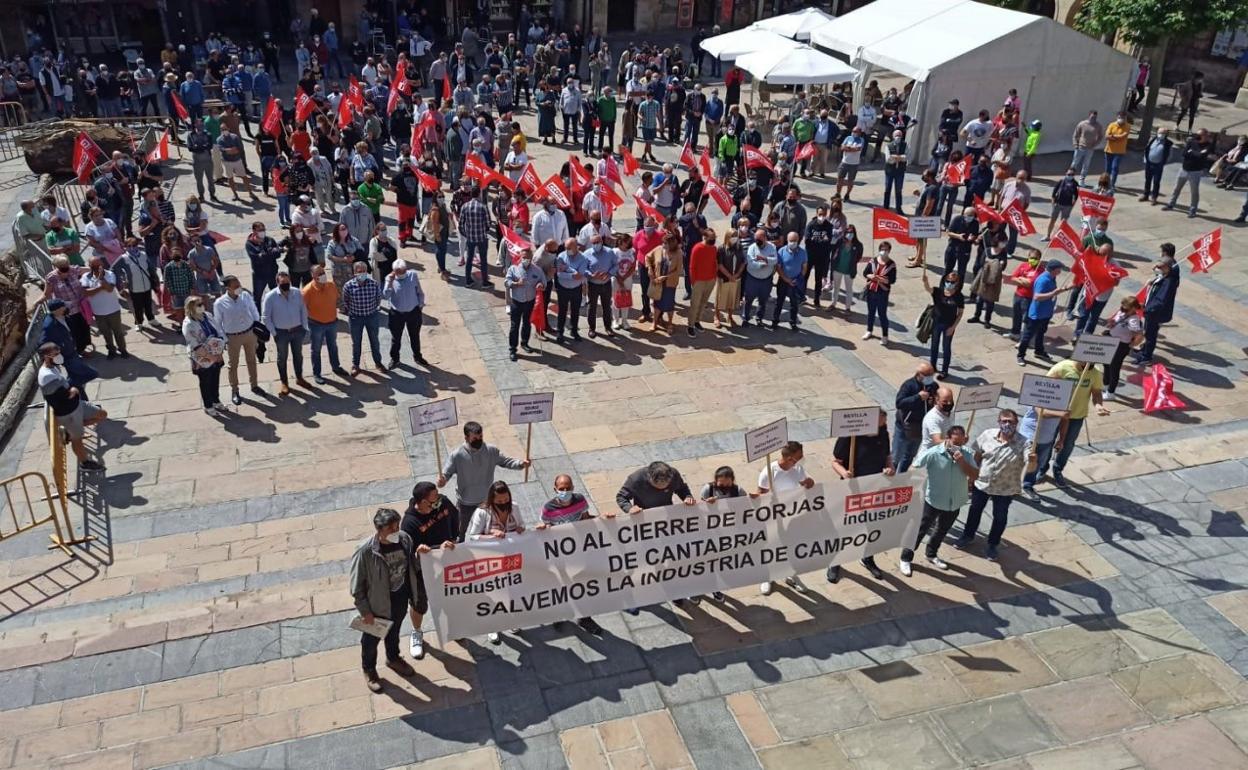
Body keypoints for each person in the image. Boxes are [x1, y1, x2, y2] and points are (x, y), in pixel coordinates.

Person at [349, 508, 421, 693]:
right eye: (391, 528)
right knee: (371, 641)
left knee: (394, 631)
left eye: (397, 526)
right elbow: (357, 587)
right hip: (377, 605)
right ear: (379, 529)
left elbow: (411, 565)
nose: (396, 531)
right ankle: (370, 670)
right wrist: (365, 611)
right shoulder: (365, 551)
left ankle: (393, 658)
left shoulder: (405, 539)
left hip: (400, 596)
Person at [900, 426, 978, 576]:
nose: (957, 446)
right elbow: (913, 468)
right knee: (920, 530)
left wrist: (962, 462)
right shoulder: (933, 453)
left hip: (955, 501)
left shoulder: (967, 454)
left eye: (960, 443)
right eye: (954, 443)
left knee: (942, 530)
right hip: (934, 500)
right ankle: (906, 557)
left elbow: (975, 474)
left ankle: (931, 553)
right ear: (947, 438)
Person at [827, 409, 893, 582]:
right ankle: (835, 562)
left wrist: (889, 467)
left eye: (884, 423)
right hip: (851, 489)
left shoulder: (883, 433)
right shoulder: (850, 436)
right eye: (880, 423)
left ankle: (868, 558)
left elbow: (887, 455)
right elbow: (835, 461)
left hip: (873, 487)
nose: (883, 426)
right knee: (843, 527)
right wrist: (844, 472)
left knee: (871, 526)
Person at [954, 409, 1028, 560]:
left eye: (1011, 422)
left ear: (1016, 423)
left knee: (1000, 517)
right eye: (1004, 421)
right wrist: (971, 476)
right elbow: (976, 455)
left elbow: (1030, 465)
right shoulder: (987, 435)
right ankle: (968, 535)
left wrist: (1033, 460)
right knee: (975, 510)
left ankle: (993, 544)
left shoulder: (1024, 443)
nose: (1007, 424)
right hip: (982, 483)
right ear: (999, 422)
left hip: (1005, 489)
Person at [535, 475, 605, 634]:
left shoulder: (580, 500)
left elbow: (587, 520)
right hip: (559, 555)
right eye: (561, 489)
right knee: (561, 585)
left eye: (568, 488)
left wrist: (604, 520)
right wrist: (541, 528)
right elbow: (544, 527)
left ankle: (585, 618)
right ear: (555, 489)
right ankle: (559, 614)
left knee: (582, 586)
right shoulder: (548, 508)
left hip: (579, 552)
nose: (565, 491)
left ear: (573, 487)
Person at [438, 422, 530, 541]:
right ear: (466, 437)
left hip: (487, 501)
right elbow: (447, 473)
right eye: (475, 438)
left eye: (481, 437)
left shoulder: (491, 451)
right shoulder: (457, 455)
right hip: (465, 502)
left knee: (489, 529)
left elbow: (506, 461)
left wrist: (521, 464)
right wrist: (443, 480)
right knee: (460, 531)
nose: (479, 440)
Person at [399, 482, 458, 660]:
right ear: (423, 502)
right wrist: (422, 550)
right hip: (422, 571)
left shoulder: (444, 503)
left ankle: (453, 627)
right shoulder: (409, 523)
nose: (438, 499)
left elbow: (456, 518)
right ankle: (417, 633)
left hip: (447, 564)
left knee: (451, 595)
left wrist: (454, 539)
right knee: (419, 604)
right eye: (434, 497)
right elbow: (408, 551)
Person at [755, 441, 816, 595]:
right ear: (789, 458)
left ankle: (791, 575)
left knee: (791, 546)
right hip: (774, 517)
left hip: (792, 516)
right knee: (772, 546)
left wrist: (810, 482)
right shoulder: (768, 472)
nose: (801, 458)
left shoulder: (798, 469)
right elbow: (760, 495)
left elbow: (805, 482)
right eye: (799, 456)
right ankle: (767, 577)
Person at [37, 342, 106, 471]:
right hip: (68, 413)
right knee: (77, 440)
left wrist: (72, 391)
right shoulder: (46, 377)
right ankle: (85, 463)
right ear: (46, 356)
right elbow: (61, 398)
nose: (59, 356)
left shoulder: (53, 367)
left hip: (77, 405)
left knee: (102, 414)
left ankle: (70, 431)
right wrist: (73, 390)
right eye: (56, 354)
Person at [1045, 357, 1111, 485]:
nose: (1090, 364)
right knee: (1048, 442)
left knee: (1068, 444)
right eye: (1087, 361)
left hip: (1076, 415)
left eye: (1092, 362)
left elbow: (1096, 393)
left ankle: (1058, 469)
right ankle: (1042, 468)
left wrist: (1098, 406)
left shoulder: (1095, 373)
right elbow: (1046, 385)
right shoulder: (1062, 368)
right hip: (1056, 414)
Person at [214, 276, 265, 404]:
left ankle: (254, 385)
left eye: (239, 284)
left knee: (252, 360)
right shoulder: (220, 303)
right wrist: (224, 339)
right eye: (235, 286)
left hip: (249, 333)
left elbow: (254, 310)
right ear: (228, 288)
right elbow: (218, 323)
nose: (239, 288)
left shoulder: (245, 296)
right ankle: (235, 390)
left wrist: (256, 326)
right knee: (233, 365)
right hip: (233, 337)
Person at [262, 271, 310, 396]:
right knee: (282, 358)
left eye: (288, 282)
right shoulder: (270, 296)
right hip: (281, 333)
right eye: (283, 283)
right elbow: (266, 317)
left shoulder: (297, 292)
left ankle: (299, 378)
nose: (286, 285)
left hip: (297, 330)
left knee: (298, 356)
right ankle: (284, 383)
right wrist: (274, 332)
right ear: (278, 283)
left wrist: (304, 327)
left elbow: (303, 310)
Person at [1016, 260, 1072, 367]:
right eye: (1059, 269)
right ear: (1053, 270)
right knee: (1028, 336)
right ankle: (1020, 355)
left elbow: (1054, 292)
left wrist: (1065, 288)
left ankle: (1039, 351)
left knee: (1041, 333)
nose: (1060, 271)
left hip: (1046, 313)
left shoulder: (1051, 278)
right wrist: (1053, 293)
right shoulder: (1043, 280)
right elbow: (1037, 297)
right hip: (1037, 314)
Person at [181, 296, 227, 416]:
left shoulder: (208, 315)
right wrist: (211, 357)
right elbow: (194, 345)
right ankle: (208, 405)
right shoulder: (188, 324)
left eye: (202, 303)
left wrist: (220, 349)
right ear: (191, 308)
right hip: (202, 357)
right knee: (205, 381)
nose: (202, 306)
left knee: (215, 379)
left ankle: (216, 401)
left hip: (216, 353)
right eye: (198, 304)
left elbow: (219, 330)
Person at [301, 265, 345, 385]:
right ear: (313, 276)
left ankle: (336, 367)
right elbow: (302, 309)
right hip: (316, 325)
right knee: (316, 349)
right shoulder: (307, 291)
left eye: (323, 272)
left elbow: (336, 299)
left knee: (333, 346)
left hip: (332, 322)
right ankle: (317, 373)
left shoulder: (331, 285)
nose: (322, 275)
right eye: (319, 274)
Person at [79, 256, 128, 359]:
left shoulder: (110, 274)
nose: (96, 268)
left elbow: (110, 289)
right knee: (106, 333)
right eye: (94, 266)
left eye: (98, 265)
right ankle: (111, 350)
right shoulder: (85, 277)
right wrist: (101, 287)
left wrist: (101, 279)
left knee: (118, 332)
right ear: (89, 266)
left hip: (113, 309)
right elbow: (87, 293)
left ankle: (122, 349)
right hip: (98, 312)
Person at [893, 362, 938, 472]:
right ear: (919, 374)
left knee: (909, 456)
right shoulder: (909, 385)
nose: (930, 377)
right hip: (904, 427)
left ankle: (901, 479)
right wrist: (918, 397)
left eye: (932, 374)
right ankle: (889, 480)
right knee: (896, 456)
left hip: (919, 428)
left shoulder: (933, 386)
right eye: (928, 375)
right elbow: (899, 403)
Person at [383, 259, 427, 369]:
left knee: (415, 336)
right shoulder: (389, 279)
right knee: (396, 338)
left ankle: (417, 356)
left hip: (413, 312)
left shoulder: (413, 275)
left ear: (405, 269)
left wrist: (420, 305)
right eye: (397, 272)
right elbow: (386, 296)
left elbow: (419, 292)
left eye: (402, 271)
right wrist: (389, 282)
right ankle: (395, 358)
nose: (400, 274)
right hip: (396, 314)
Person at [343, 261, 385, 375]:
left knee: (374, 341)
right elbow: (345, 302)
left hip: (372, 316)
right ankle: (356, 365)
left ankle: (378, 363)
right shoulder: (348, 286)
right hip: (355, 318)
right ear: (355, 272)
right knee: (356, 343)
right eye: (359, 271)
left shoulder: (374, 284)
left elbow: (378, 299)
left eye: (364, 271)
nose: (362, 273)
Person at [921, 268, 964, 380]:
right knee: (934, 345)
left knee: (946, 347)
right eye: (948, 281)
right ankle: (933, 366)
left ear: (957, 283)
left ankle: (945, 370)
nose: (949, 283)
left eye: (952, 282)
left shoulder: (959, 296)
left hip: (949, 325)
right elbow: (928, 289)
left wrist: (953, 327)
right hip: (937, 323)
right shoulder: (938, 292)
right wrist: (925, 282)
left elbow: (960, 313)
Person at [1135, 257, 1178, 366]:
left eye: (1160, 266)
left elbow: (1160, 301)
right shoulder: (1164, 276)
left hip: (1154, 313)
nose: (1157, 268)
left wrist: (1146, 309)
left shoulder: (1168, 282)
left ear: (1168, 268)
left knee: (1150, 335)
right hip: (1150, 311)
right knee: (1148, 332)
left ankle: (1146, 357)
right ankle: (1144, 350)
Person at [505, 248, 545, 360]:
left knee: (527, 323)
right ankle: (512, 349)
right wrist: (516, 283)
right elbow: (506, 282)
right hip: (516, 302)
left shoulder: (537, 270)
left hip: (529, 301)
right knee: (514, 325)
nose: (526, 260)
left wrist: (541, 285)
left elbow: (543, 281)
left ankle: (525, 343)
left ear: (531, 258)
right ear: (520, 257)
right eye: (524, 257)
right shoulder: (513, 269)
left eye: (528, 258)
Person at [1164, 128, 1214, 218]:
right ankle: (1171, 203)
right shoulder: (1192, 142)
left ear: (1205, 136)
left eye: (1200, 135)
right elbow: (1184, 153)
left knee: (1194, 192)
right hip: (1184, 169)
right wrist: (1194, 153)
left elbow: (1201, 156)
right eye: (1197, 134)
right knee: (1176, 188)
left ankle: (1193, 210)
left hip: (1195, 172)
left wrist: (1191, 152)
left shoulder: (1208, 145)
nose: (1197, 137)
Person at [1103, 296, 1144, 399]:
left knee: (1114, 367)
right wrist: (1111, 323)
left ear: (1134, 308)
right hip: (1111, 340)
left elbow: (1139, 334)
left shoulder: (1134, 320)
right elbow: (1114, 320)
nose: (1123, 310)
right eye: (1123, 307)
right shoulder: (1122, 312)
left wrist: (1133, 344)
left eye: (1126, 308)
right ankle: (1106, 385)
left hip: (1121, 345)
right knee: (1106, 363)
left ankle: (1111, 393)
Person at [583, 233, 618, 338]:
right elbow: (583, 268)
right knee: (592, 307)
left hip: (606, 284)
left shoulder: (609, 252)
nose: (595, 244)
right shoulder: (586, 254)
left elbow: (616, 265)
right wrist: (592, 275)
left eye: (597, 242)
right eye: (593, 243)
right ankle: (592, 328)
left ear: (602, 242)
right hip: (593, 285)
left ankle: (608, 327)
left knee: (606, 306)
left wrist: (609, 274)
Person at [861, 241, 895, 343]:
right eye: (882, 249)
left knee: (882, 314)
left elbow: (892, 280)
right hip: (871, 290)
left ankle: (885, 336)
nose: (884, 251)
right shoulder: (873, 261)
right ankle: (869, 330)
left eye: (886, 249)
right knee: (871, 312)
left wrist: (880, 279)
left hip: (882, 293)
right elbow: (865, 273)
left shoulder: (891, 264)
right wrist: (871, 276)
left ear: (889, 251)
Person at [686, 228, 717, 336]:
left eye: (714, 238)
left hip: (710, 280)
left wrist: (714, 277)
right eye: (711, 238)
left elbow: (714, 263)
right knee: (695, 304)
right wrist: (694, 282)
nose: (713, 240)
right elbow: (692, 267)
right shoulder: (697, 248)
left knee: (703, 303)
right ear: (705, 237)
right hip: (699, 281)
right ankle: (690, 325)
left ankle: (697, 321)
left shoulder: (713, 248)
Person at [1070, 110, 1103, 186]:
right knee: (1074, 163)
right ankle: (1070, 177)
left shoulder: (1098, 126)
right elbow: (1075, 134)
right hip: (1080, 147)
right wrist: (1075, 144)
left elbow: (1100, 136)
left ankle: (1081, 180)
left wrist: (1095, 144)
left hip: (1090, 149)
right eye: (1092, 117)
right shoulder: (1082, 124)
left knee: (1086, 165)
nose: (1093, 118)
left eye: (1095, 117)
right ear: (1089, 116)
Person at [1141, 128, 1173, 205]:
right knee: (1147, 180)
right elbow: (1147, 149)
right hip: (1149, 163)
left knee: (1156, 181)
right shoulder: (1152, 140)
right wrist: (1146, 159)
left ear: (1166, 135)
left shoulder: (1168, 143)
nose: (1160, 134)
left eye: (1163, 133)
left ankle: (1154, 197)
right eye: (1159, 132)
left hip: (1158, 165)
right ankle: (1146, 195)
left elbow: (1170, 155)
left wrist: (1163, 162)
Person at [1103, 112, 1130, 191]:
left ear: (1125, 118)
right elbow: (1106, 136)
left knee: (1114, 168)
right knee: (1107, 169)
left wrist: (1112, 136)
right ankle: (1105, 184)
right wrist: (1114, 137)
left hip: (1119, 151)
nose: (1121, 119)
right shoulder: (1112, 125)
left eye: (1123, 117)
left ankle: (1112, 185)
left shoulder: (1127, 126)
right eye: (1120, 117)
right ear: (1117, 117)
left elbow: (1122, 136)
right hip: (1108, 150)